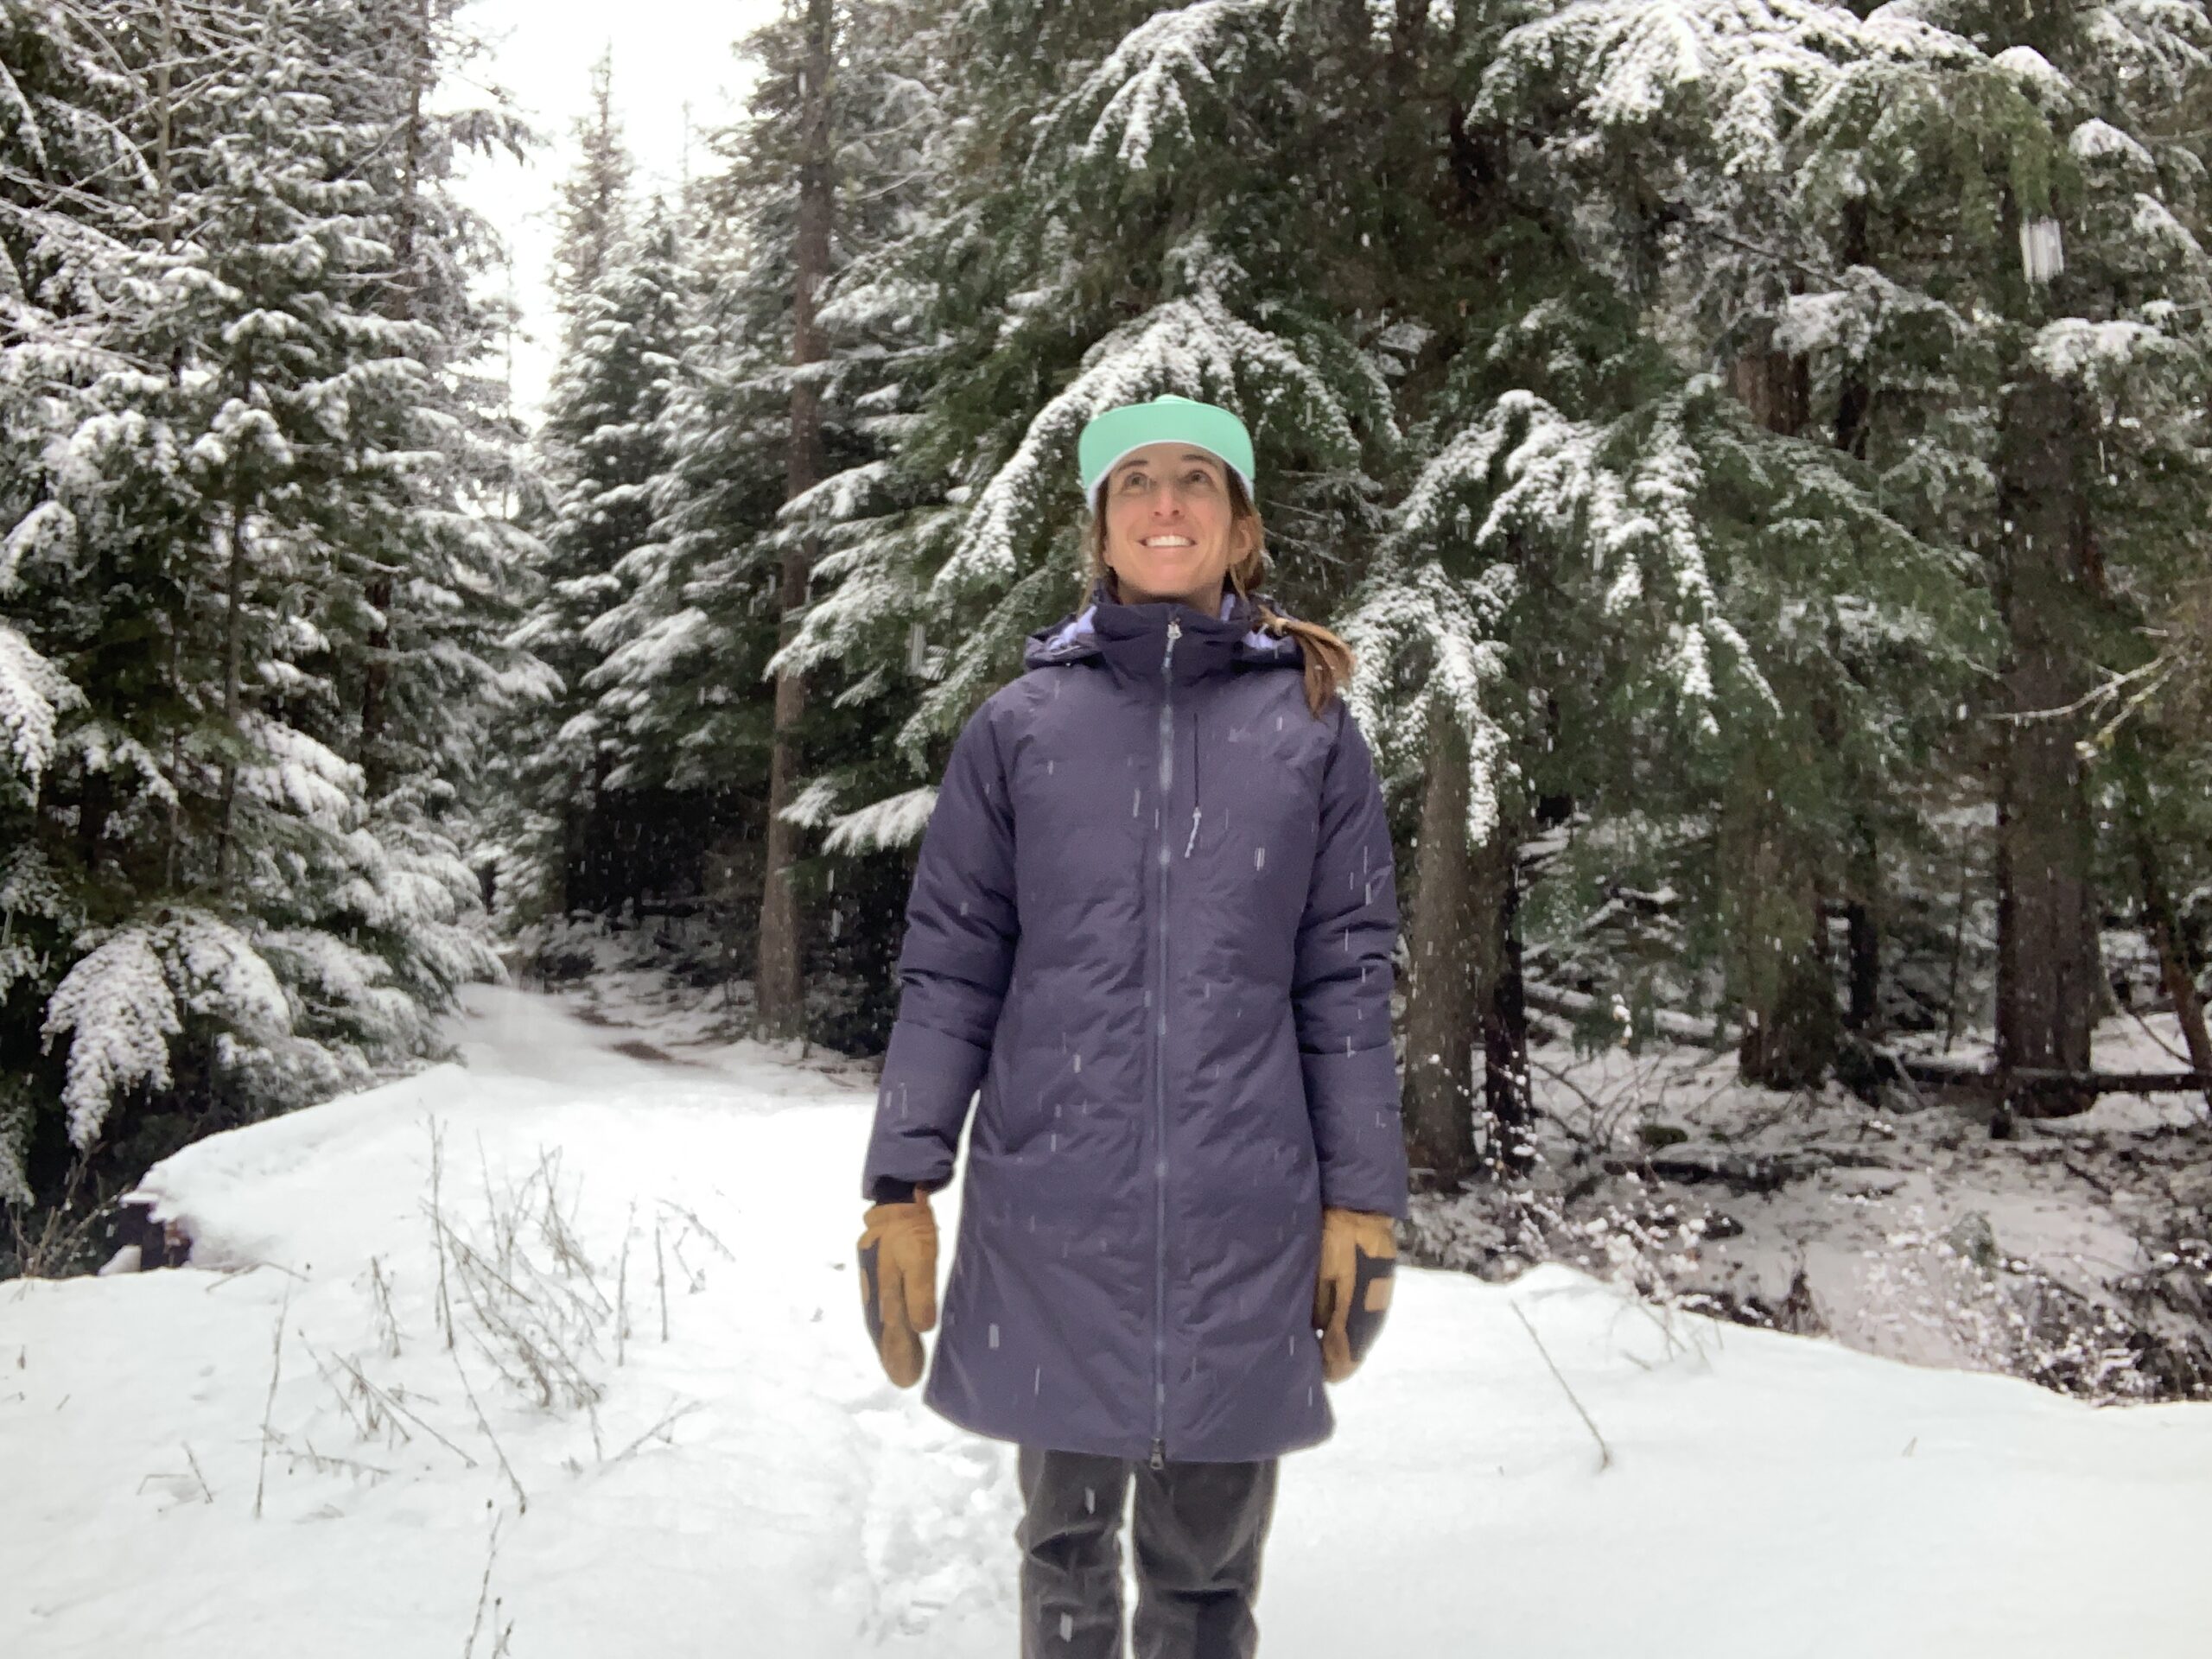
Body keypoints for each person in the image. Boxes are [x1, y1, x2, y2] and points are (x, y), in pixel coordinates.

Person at [855, 393, 1407, 1658]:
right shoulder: (1020, 731)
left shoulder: (1313, 733)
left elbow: (1344, 978)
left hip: (1245, 1219)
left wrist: (1362, 1203)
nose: (1167, 504)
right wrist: (901, 1185)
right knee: (1061, 1558)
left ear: (1242, 525)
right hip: (1057, 1211)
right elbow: (951, 969)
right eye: (1138, 483)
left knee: (1209, 1584)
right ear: (1100, 528)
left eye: (1198, 480)